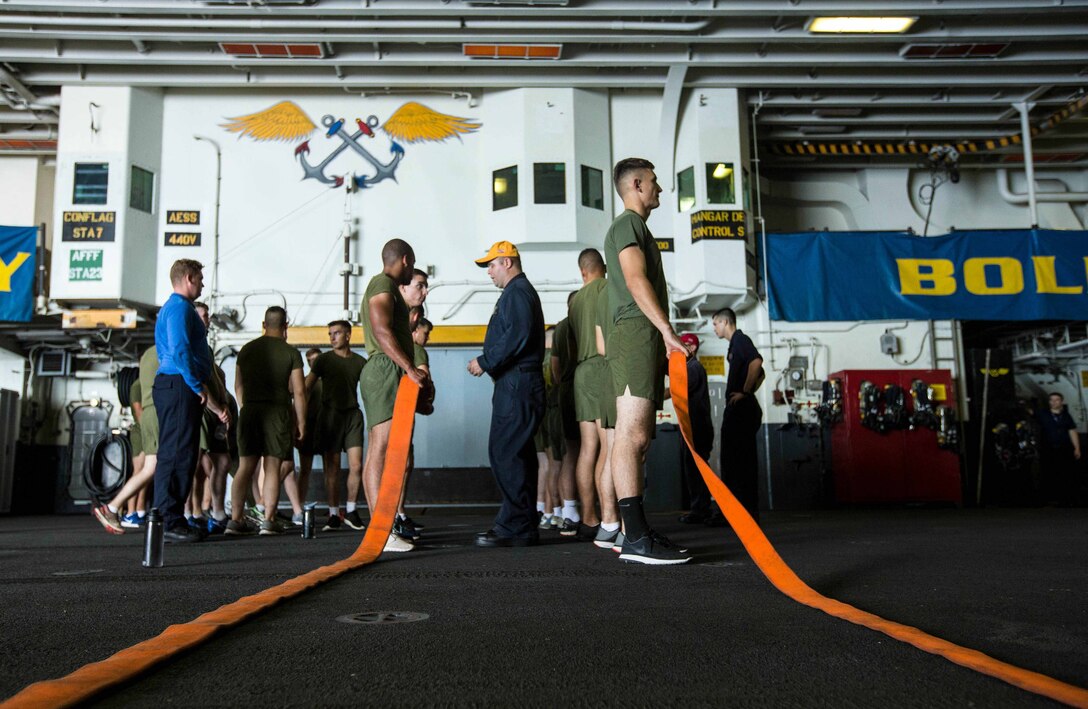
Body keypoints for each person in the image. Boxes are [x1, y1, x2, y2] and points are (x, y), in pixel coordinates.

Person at [604, 158, 690, 564]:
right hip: (637, 330)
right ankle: (635, 537)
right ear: (636, 184)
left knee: (638, 441)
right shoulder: (627, 225)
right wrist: (667, 332)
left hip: (640, 335)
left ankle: (632, 532)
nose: (660, 189)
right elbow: (635, 279)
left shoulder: (638, 228)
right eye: (655, 182)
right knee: (631, 436)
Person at [468, 240, 546, 547]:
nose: (489, 272)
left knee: (505, 453)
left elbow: (518, 334)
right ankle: (522, 524)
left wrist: (485, 361)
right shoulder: (517, 293)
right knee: (519, 455)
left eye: (491, 265)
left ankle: (514, 525)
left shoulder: (517, 293)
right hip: (519, 384)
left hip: (518, 384)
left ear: (508, 263)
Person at [151, 259, 230, 542]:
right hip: (178, 384)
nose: (203, 285)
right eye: (199, 279)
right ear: (188, 278)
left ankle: (173, 518)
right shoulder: (179, 309)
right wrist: (196, 385)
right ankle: (169, 521)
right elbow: (181, 349)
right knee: (176, 453)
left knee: (183, 453)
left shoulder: (174, 308)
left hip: (177, 384)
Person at [359, 238, 427, 553]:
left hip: (390, 369)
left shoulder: (385, 286)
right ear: (404, 259)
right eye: (411, 265)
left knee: (386, 450)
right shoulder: (382, 284)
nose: (411, 270)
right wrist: (409, 369)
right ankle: (381, 532)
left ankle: (384, 530)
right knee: (381, 450)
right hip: (385, 369)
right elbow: (382, 330)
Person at [227, 306, 306, 535]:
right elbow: (299, 392)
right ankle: (268, 521)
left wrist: (247, 406)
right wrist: (301, 423)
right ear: (285, 327)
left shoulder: (246, 350)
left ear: (264, 325)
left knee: (245, 467)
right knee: (272, 466)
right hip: (278, 413)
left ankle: (235, 520)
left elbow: (238, 386)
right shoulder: (291, 353)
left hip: (250, 412)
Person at [568, 247, 621, 546]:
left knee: (588, 447)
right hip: (602, 368)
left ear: (582, 271)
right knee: (609, 446)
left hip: (581, 372)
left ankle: (588, 518)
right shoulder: (607, 288)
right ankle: (610, 518)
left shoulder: (575, 302)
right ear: (603, 267)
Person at [93, 345, 162, 535]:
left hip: (147, 428)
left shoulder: (146, 381)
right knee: (144, 470)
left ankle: (135, 511)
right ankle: (124, 511)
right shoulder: (138, 385)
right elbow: (139, 411)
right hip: (143, 431)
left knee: (148, 471)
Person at [304, 321, 366, 531]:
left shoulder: (360, 362)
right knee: (333, 468)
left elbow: (370, 391)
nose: (332, 337)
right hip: (330, 416)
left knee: (357, 465)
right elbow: (305, 388)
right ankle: (333, 514)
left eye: (337, 333)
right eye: (330, 334)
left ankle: (350, 510)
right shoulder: (323, 360)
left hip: (352, 415)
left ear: (348, 335)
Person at [713, 307, 765, 523]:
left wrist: (745, 391)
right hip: (741, 410)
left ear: (726, 322)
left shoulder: (741, 340)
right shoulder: (735, 345)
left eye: (715, 324)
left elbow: (757, 363)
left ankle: (738, 514)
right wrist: (749, 389)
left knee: (736, 463)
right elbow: (761, 374)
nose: (714, 328)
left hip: (741, 411)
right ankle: (740, 513)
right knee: (739, 463)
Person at [673, 334, 716, 524]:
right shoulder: (688, 367)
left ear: (692, 348)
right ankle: (700, 508)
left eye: (682, 346)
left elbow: (676, 390)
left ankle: (701, 509)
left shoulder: (693, 368)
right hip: (692, 425)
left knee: (696, 469)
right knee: (692, 468)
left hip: (697, 427)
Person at [551, 295, 582, 537]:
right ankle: (591, 513)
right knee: (593, 450)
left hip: (568, 390)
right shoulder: (581, 321)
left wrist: (564, 385)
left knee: (569, 455)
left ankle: (569, 512)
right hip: (583, 388)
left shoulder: (561, 327)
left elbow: (555, 368)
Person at [1034, 392, 1082, 505]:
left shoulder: (1066, 416)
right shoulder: (1042, 414)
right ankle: (1048, 498)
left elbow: (1072, 431)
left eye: (1056, 400)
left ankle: (1066, 498)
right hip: (1048, 448)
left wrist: (1077, 448)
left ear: (1061, 402)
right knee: (1048, 472)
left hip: (1064, 448)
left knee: (1065, 473)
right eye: (1051, 400)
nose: (1054, 402)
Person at [293, 347, 323, 522]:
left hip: (326, 427)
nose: (314, 363)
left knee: (331, 469)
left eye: (317, 359)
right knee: (305, 470)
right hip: (309, 429)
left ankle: (335, 511)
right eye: (310, 360)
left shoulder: (329, 382)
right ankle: (299, 506)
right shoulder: (304, 383)